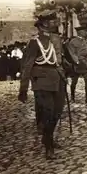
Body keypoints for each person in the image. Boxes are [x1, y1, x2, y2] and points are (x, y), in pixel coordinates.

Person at [18, 9, 66, 160]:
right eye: (52, 21)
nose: (56, 23)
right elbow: (27, 66)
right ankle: (49, 147)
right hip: (41, 82)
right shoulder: (34, 42)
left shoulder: (54, 39)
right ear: (44, 24)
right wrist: (23, 89)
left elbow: (58, 60)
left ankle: (47, 138)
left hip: (56, 79)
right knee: (48, 113)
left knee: (57, 112)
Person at [67, 26, 87, 103]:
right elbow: (72, 53)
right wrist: (77, 61)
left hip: (85, 64)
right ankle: (72, 97)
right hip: (77, 65)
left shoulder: (86, 41)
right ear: (79, 32)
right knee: (74, 82)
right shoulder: (73, 42)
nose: (85, 32)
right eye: (83, 31)